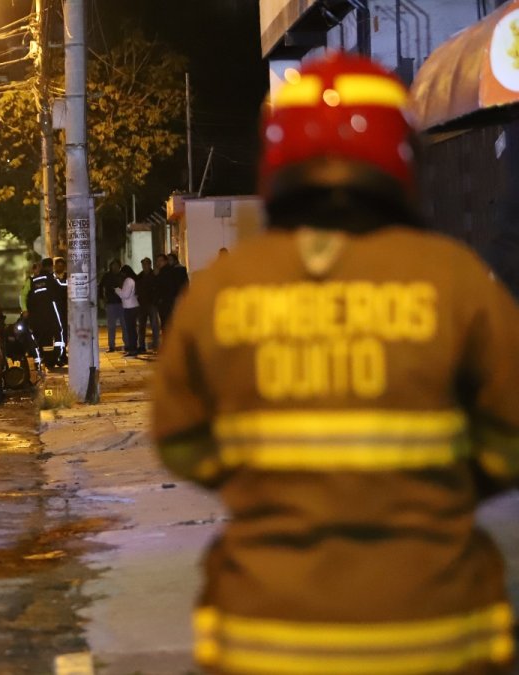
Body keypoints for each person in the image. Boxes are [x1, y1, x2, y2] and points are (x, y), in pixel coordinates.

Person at [153, 52, 519, 675]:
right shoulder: (456, 281)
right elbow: (509, 443)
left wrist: (276, 485)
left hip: (264, 637)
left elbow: (181, 443)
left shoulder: (222, 290)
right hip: (437, 634)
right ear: (402, 154)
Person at [25, 258, 66, 367]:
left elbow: (28, 297)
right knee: (58, 332)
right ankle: (57, 356)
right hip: (52, 311)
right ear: (50, 267)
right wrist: (74, 281)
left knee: (44, 336)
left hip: (38, 314)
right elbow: (61, 286)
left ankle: (46, 359)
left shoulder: (34, 280)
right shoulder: (50, 277)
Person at [135, 257, 160, 353]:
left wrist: (155, 300)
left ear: (150, 265)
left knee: (154, 325)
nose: (144, 266)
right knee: (141, 326)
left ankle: (156, 344)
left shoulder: (154, 275)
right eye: (143, 265)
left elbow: (158, 288)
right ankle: (141, 345)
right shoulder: (140, 276)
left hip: (152, 303)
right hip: (142, 303)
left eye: (146, 264)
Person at [99, 261, 125, 353]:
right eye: (113, 266)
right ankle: (111, 346)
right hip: (111, 303)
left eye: (117, 266)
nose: (115, 268)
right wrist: (102, 298)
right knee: (111, 326)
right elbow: (100, 287)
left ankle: (127, 344)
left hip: (122, 303)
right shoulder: (107, 276)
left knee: (124, 325)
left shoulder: (122, 276)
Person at [159, 252, 189, 329]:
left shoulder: (178, 270)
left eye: (170, 260)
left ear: (175, 260)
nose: (168, 262)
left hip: (178, 296)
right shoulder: (172, 270)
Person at [115, 265, 139, 356]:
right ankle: (133, 348)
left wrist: (117, 290)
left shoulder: (128, 280)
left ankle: (132, 349)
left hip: (130, 307)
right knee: (131, 329)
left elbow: (125, 295)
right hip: (132, 306)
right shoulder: (132, 280)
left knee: (130, 329)